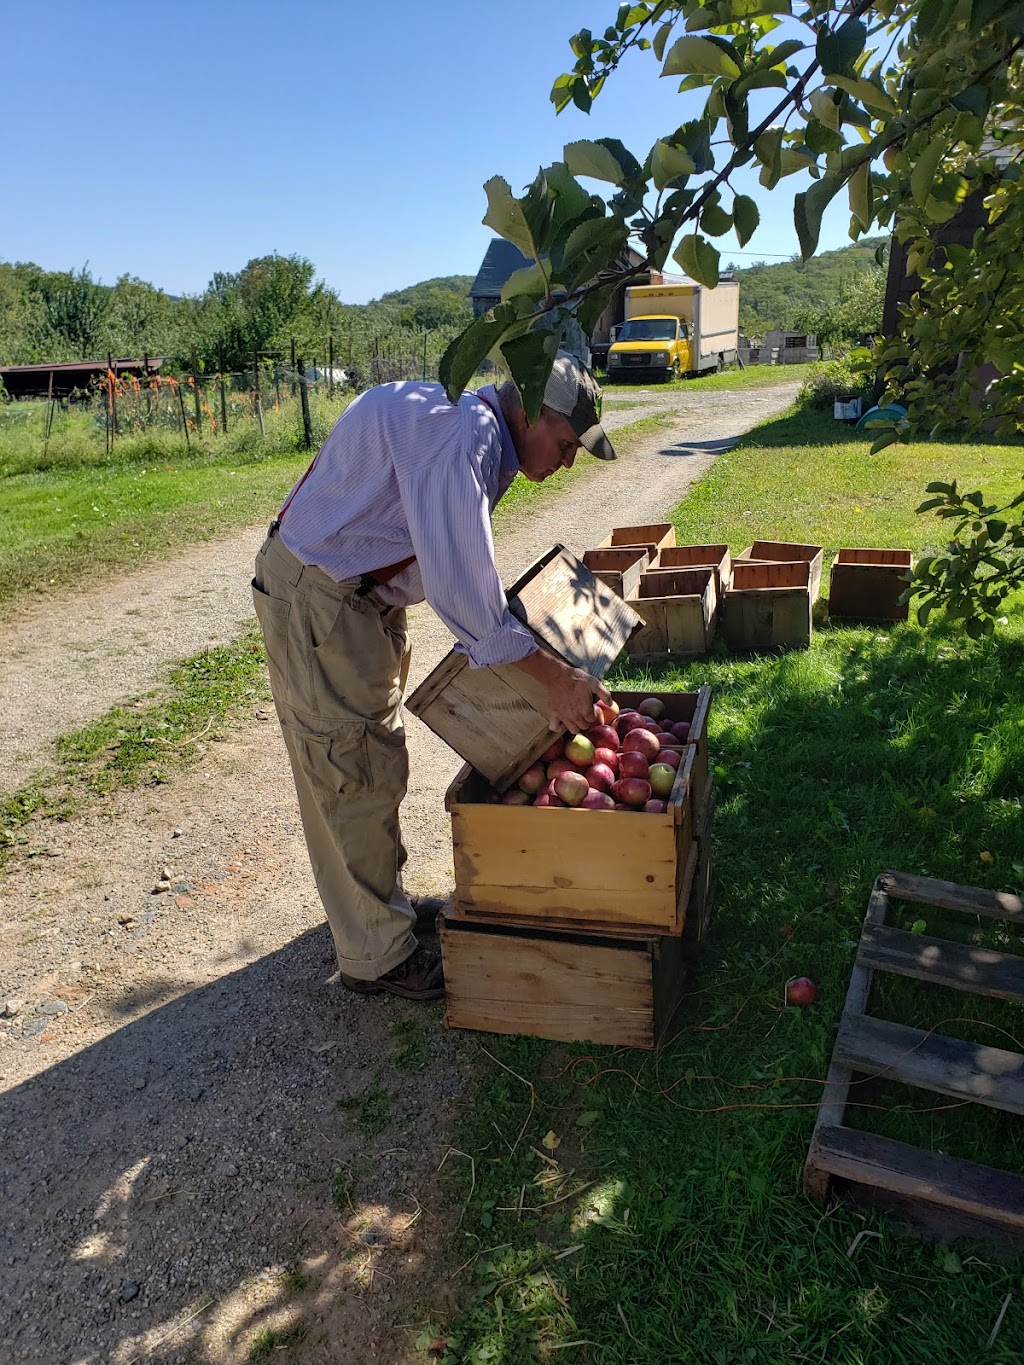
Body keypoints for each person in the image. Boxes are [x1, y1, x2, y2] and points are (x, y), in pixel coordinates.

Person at [252, 351, 616, 1002]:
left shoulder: (470, 430)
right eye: (565, 445)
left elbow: (461, 565)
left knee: (374, 756)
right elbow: (467, 603)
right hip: (323, 597)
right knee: (350, 767)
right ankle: (377, 956)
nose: (567, 463)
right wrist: (553, 679)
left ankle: (380, 911)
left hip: (363, 598)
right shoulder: (462, 435)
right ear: (531, 410)